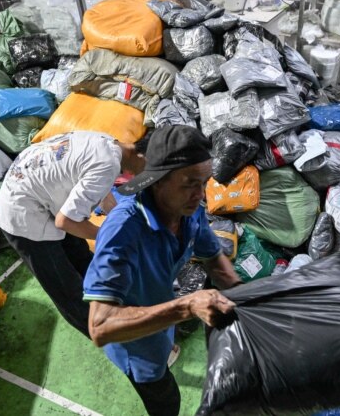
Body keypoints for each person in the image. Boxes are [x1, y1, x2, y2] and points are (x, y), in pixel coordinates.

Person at [82, 125, 243, 416]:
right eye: (189, 184)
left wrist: (249, 300)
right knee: (166, 401)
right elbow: (100, 327)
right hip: (136, 344)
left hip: (160, 318)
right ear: (157, 181)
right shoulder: (123, 231)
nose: (200, 194)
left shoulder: (189, 211)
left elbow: (215, 261)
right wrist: (187, 307)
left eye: (204, 183)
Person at [0, 131, 146, 338]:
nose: (144, 176)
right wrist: (108, 235)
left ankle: (126, 311)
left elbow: (101, 190)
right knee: (68, 289)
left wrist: (124, 225)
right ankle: (122, 341)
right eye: (149, 169)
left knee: (83, 260)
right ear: (140, 155)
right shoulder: (108, 163)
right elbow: (65, 222)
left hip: (44, 199)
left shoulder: (108, 143)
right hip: (22, 215)